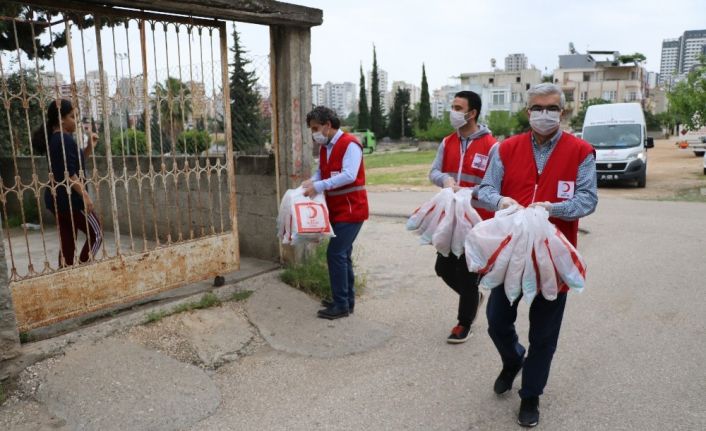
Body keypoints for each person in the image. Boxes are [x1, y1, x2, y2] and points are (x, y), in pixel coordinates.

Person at [477, 83, 597, 427]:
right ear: (527, 112)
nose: (545, 114)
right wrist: (500, 200)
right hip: (511, 253)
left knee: (544, 334)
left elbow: (587, 200)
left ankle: (530, 395)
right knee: (497, 320)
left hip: (554, 256)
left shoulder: (581, 151)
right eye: (538, 108)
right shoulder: (505, 149)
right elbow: (485, 189)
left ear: (563, 112)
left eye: (552, 108)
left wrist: (551, 207)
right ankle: (513, 358)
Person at [429, 90, 497, 344]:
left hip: (478, 220)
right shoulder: (448, 142)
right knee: (443, 268)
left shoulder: (492, 146)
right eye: (453, 107)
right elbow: (433, 171)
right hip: (452, 218)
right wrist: (444, 179)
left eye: (458, 108)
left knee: (469, 272)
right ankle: (474, 298)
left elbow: (494, 184)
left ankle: (463, 323)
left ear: (472, 113)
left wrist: (471, 191)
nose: (453, 112)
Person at [302, 106, 368, 320]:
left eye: (315, 128)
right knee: (343, 255)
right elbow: (322, 171)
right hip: (337, 209)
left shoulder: (350, 144)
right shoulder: (325, 147)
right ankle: (346, 301)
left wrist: (319, 186)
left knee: (335, 254)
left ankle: (341, 304)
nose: (314, 134)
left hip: (352, 209)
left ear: (328, 125)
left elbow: (349, 175)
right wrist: (313, 180)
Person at [32, 99, 102, 267]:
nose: (76, 120)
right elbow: (69, 174)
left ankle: (66, 275)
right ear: (61, 119)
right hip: (71, 200)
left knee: (68, 242)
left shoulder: (57, 139)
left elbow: (74, 164)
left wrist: (89, 148)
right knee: (97, 234)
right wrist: (85, 196)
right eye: (72, 116)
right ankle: (82, 269)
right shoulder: (64, 139)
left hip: (57, 200)